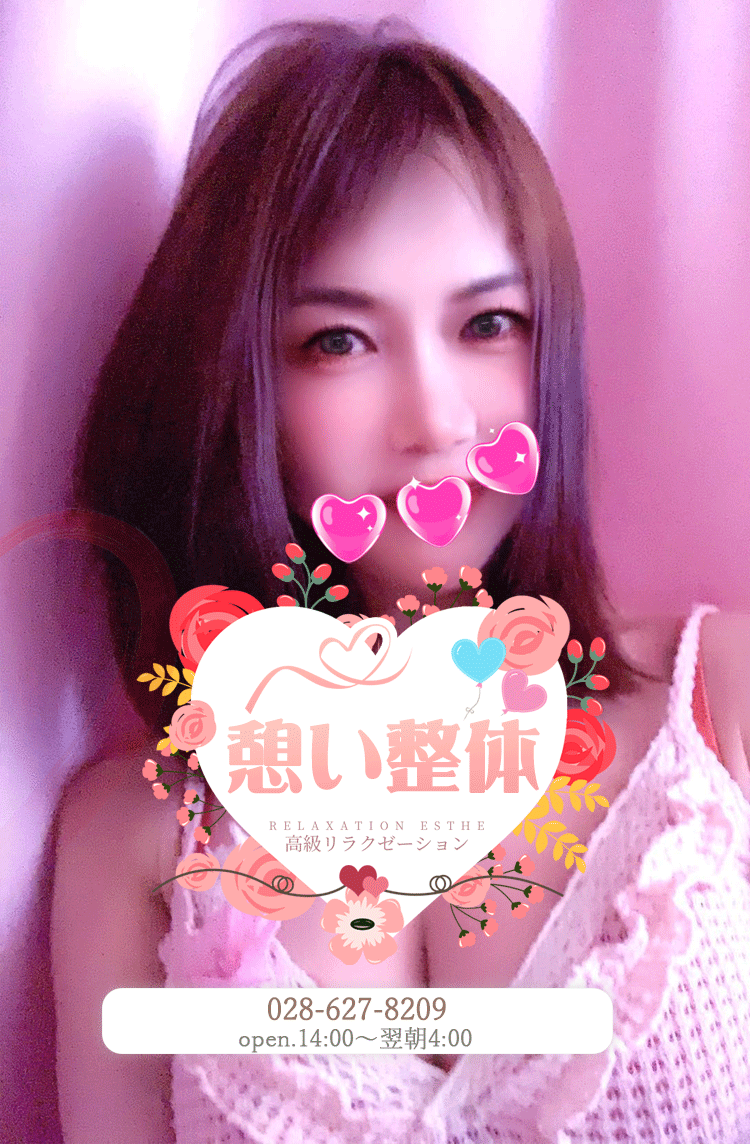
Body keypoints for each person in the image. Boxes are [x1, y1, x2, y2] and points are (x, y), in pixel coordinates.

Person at [51, 16, 750, 1144]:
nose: (435, 421)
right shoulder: (132, 836)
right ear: (241, 386)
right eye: (339, 341)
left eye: (488, 324)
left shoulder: (720, 705)